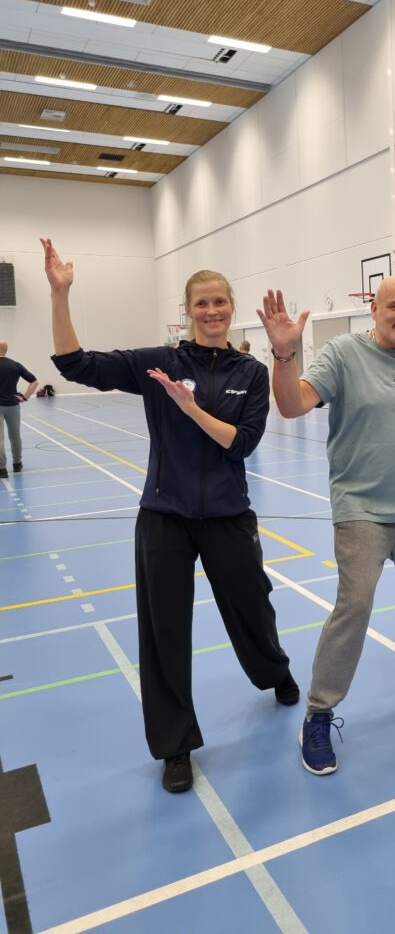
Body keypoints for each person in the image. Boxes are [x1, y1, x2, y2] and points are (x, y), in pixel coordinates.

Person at [42, 237, 299, 794]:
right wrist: (60, 295)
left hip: (228, 516)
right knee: (164, 631)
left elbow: (242, 444)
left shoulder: (252, 373)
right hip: (164, 517)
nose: (211, 311)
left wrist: (190, 408)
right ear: (187, 311)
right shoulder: (158, 364)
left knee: (253, 607)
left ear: (231, 307)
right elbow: (74, 365)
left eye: (219, 301)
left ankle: (273, 670)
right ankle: (175, 744)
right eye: (201, 303)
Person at [258, 278, 395, 775]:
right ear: (374, 308)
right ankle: (319, 712)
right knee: (355, 605)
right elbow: (292, 405)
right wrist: (283, 356)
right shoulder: (344, 354)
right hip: (361, 506)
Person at [0, 341, 39, 479]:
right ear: (6, 350)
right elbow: (34, 382)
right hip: (13, 406)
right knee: (15, 436)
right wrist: (25, 397)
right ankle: (17, 464)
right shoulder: (15, 365)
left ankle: (2, 469)